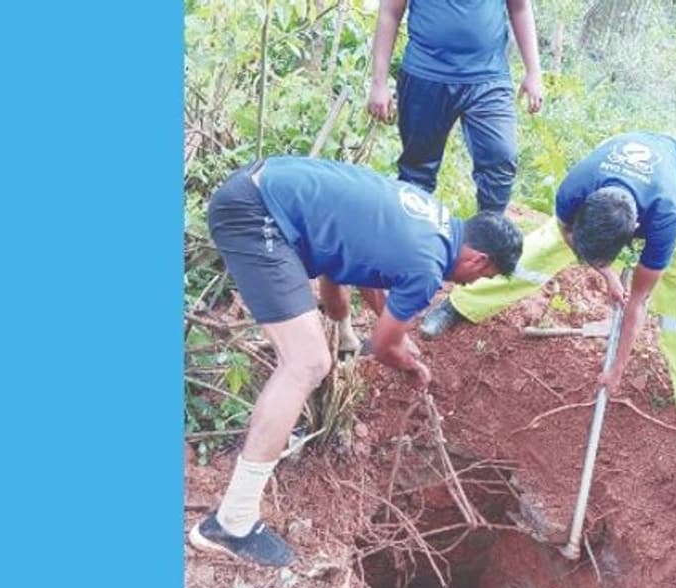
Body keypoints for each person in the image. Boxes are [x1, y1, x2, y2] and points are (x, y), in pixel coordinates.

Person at [189, 156, 523, 567]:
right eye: (482, 278)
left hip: (261, 187)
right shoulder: (428, 267)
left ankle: (313, 382)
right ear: (479, 261)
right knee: (308, 362)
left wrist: (357, 334)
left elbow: (356, 268)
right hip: (256, 214)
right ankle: (232, 522)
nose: (473, 284)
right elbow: (384, 348)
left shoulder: (430, 218)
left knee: (316, 349)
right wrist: (407, 361)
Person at [420, 132, 676, 458]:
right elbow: (566, 234)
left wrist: (617, 368)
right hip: (611, 173)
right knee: (534, 253)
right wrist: (605, 273)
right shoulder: (575, 190)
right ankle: (460, 304)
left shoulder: (665, 218)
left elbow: (637, 301)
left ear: (633, 235)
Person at [367, 0, 544, 213]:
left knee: (501, 158)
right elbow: (390, 11)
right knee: (417, 170)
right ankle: (412, 233)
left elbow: (520, 8)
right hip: (425, 75)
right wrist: (379, 83)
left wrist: (533, 71)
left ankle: (488, 234)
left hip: (488, 76)